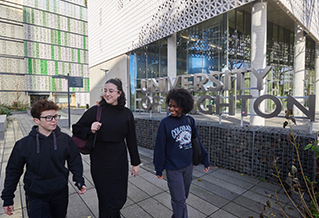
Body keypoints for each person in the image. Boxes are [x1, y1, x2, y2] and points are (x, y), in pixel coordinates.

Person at [1, 99, 86, 217]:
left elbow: (75, 161)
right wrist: (8, 197)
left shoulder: (65, 140)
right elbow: (13, 171)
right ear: (37, 120)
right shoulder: (23, 144)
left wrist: (79, 180)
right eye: (49, 117)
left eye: (55, 116)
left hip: (60, 193)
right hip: (36, 196)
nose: (54, 120)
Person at [72, 78, 141, 218]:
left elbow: (131, 139)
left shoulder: (126, 113)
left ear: (119, 93)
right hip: (100, 162)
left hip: (119, 162)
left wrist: (135, 162)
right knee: (105, 200)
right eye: (105, 90)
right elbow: (76, 129)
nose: (107, 94)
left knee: (120, 198)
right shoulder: (95, 111)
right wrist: (90, 130)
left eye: (111, 91)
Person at [153, 88, 210, 218]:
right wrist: (159, 168)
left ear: (183, 106)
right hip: (173, 168)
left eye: (175, 106)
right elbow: (160, 148)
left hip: (188, 166)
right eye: (170, 106)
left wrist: (205, 159)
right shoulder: (165, 123)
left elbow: (197, 141)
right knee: (179, 201)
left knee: (183, 197)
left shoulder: (189, 121)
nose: (171, 109)